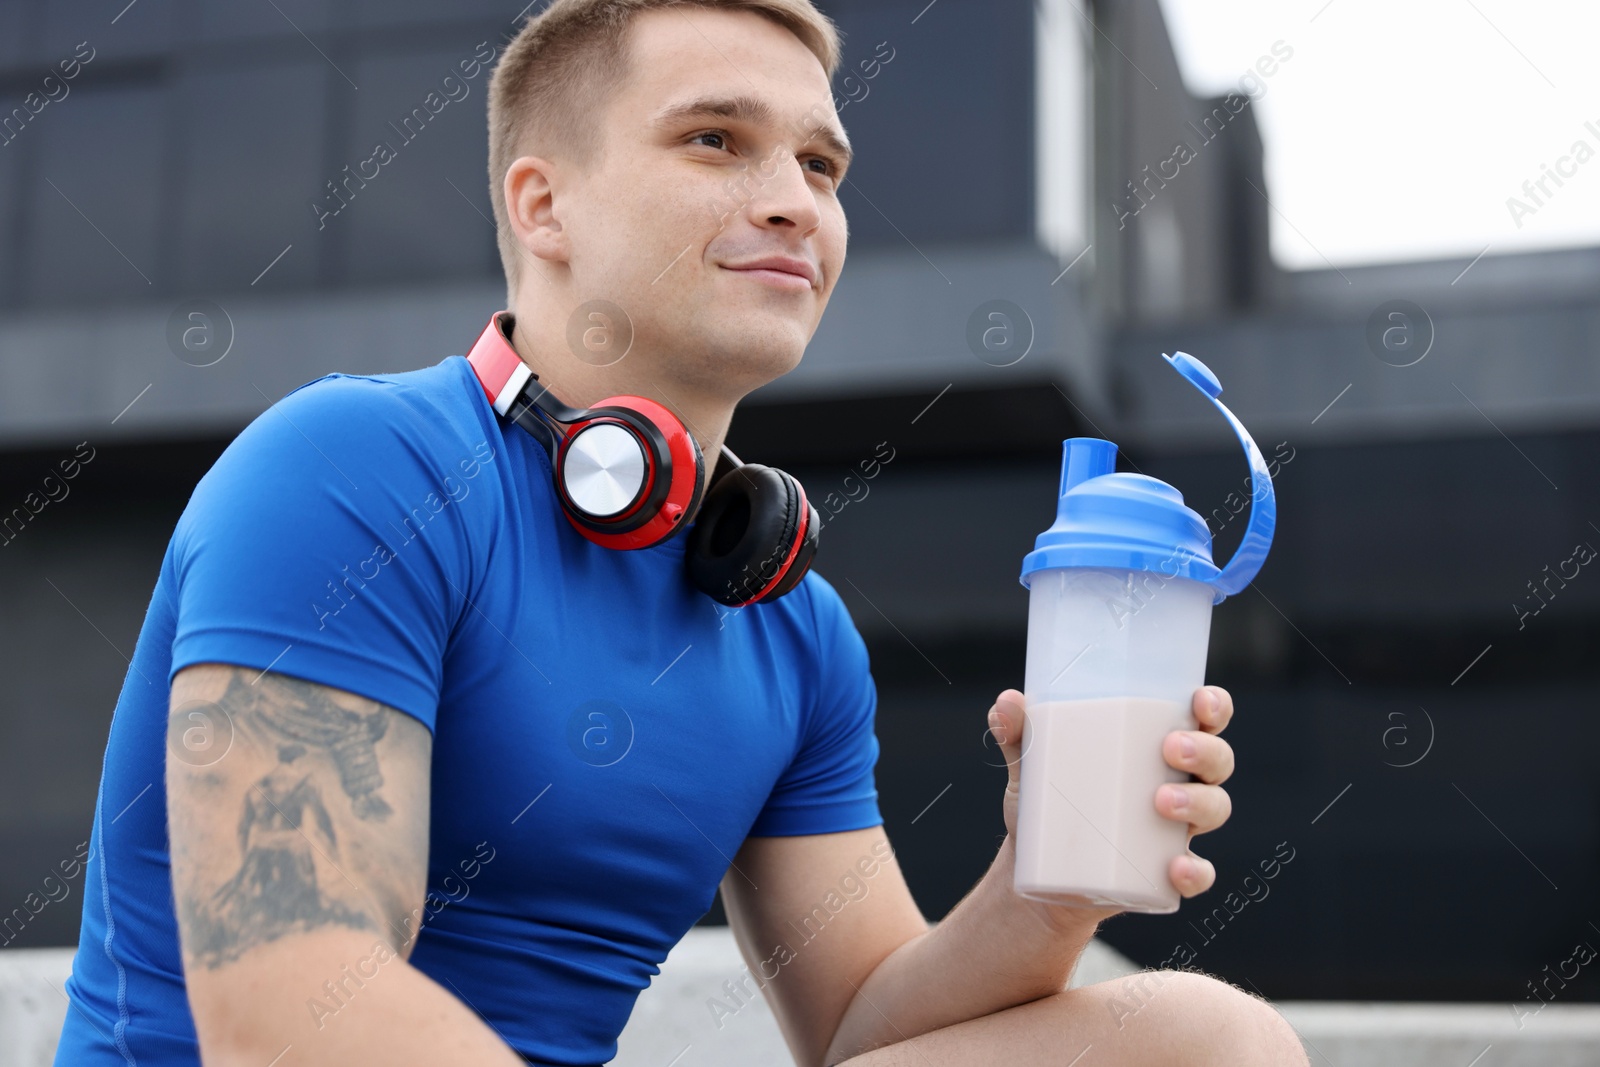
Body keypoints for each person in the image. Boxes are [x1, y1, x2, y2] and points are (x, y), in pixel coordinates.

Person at [53, 1, 1308, 1064]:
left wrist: (1050, 877)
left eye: (820, 167)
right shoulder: (353, 468)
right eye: (716, 141)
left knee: (1201, 1039)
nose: (792, 205)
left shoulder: (788, 620)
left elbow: (864, 1019)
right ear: (542, 205)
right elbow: (290, 1003)